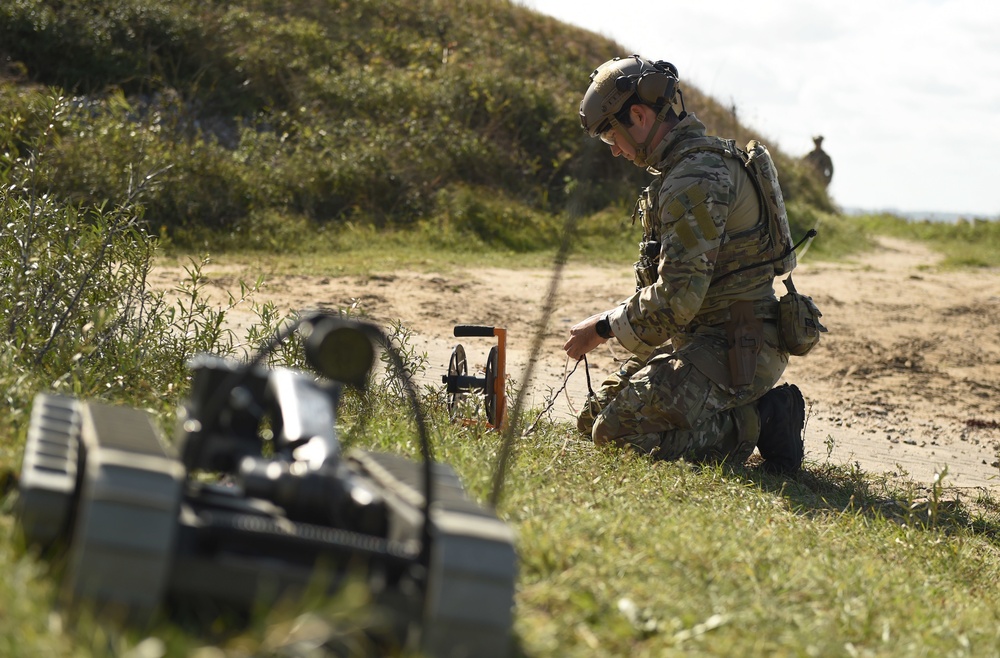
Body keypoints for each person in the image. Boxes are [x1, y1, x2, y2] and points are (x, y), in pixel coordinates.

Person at [564, 55, 807, 473]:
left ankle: (763, 418)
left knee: (616, 432)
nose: (617, 152)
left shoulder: (696, 176)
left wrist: (603, 327)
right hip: (709, 339)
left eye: (611, 138)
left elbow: (677, 299)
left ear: (638, 115)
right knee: (593, 417)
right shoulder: (687, 167)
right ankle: (742, 410)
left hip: (738, 347)